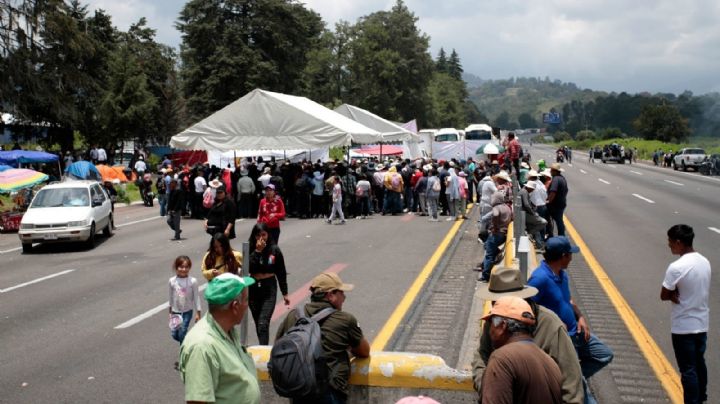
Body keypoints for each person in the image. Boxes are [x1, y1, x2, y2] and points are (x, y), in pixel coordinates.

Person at [472, 266, 584, 404]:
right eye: (495, 303)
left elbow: (571, 382)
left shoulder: (551, 325)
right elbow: (482, 356)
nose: (497, 308)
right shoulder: (496, 319)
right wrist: (488, 385)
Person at [528, 236, 613, 402]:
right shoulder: (540, 279)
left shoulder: (562, 274)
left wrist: (580, 317)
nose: (572, 258)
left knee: (604, 354)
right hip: (562, 340)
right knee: (583, 394)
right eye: (570, 254)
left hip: (577, 332)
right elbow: (527, 307)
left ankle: (566, 377)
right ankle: (572, 378)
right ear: (563, 256)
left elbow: (568, 300)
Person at [275, 273, 370, 404]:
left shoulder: (294, 316)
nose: (344, 297)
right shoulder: (345, 320)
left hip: (299, 390)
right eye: (341, 292)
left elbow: (278, 344)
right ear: (330, 295)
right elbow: (364, 351)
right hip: (329, 392)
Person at [179, 273, 260, 404]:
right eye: (245, 300)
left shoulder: (228, 329)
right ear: (235, 306)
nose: (247, 305)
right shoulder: (202, 346)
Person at [478, 295, 563, 404]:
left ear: (503, 326)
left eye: (491, 323)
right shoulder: (550, 362)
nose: (489, 331)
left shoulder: (501, 359)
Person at [661, 224, 711, 404]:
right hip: (702, 324)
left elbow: (664, 294)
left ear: (679, 242)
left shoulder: (677, 267)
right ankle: (701, 398)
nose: (669, 245)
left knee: (688, 370)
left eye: (670, 242)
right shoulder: (704, 261)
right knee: (699, 364)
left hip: (683, 328)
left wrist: (674, 294)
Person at [248, 223, 289, 345]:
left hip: (269, 288)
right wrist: (257, 251)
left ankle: (264, 352)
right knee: (258, 323)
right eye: (258, 235)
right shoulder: (250, 249)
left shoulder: (274, 250)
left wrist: (285, 293)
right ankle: (263, 346)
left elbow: (281, 272)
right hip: (254, 287)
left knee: (263, 323)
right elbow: (248, 268)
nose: (261, 238)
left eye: (264, 235)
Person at [479, 190, 512, 282]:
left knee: (488, 255)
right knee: (491, 250)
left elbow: (496, 214)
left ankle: (485, 276)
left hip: (496, 234)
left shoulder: (496, 208)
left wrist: (495, 226)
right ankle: (487, 266)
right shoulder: (507, 207)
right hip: (504, 234)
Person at [169, 255, 201, 345]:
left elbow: (196, 297)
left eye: (186, 267)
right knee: (174, 334)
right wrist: (170, 312)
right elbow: (170, 296)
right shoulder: (172, 281)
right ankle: (189, 342)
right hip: (175, 312)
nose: (184, 269)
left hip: (187, 311)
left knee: (182, 331)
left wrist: (198, 312)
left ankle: (183, 353)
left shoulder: (193, 281)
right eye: (181, 267)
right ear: (176, 267)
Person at [546, 163, 568, 237]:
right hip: (561, 203)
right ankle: (561, 236)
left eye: (551, 170)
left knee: (547, 217)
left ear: (554, 171)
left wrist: (549, 201)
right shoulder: (562, 178)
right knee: (559, 221)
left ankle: (558, 235)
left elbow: (553, 192)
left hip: (555, 205)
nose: (550, 172)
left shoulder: (556, 179)